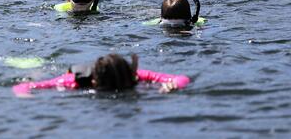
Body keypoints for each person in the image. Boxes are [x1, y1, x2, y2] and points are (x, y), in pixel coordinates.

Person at [12, 54, 190, 97]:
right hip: (61, 73)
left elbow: (183, 78)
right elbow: (22, 86)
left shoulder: (136, 75)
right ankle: (37, 68)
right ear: (94, 81)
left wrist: (172, 85)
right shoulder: (73, 81)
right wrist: (25, 94)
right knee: (35, 75)